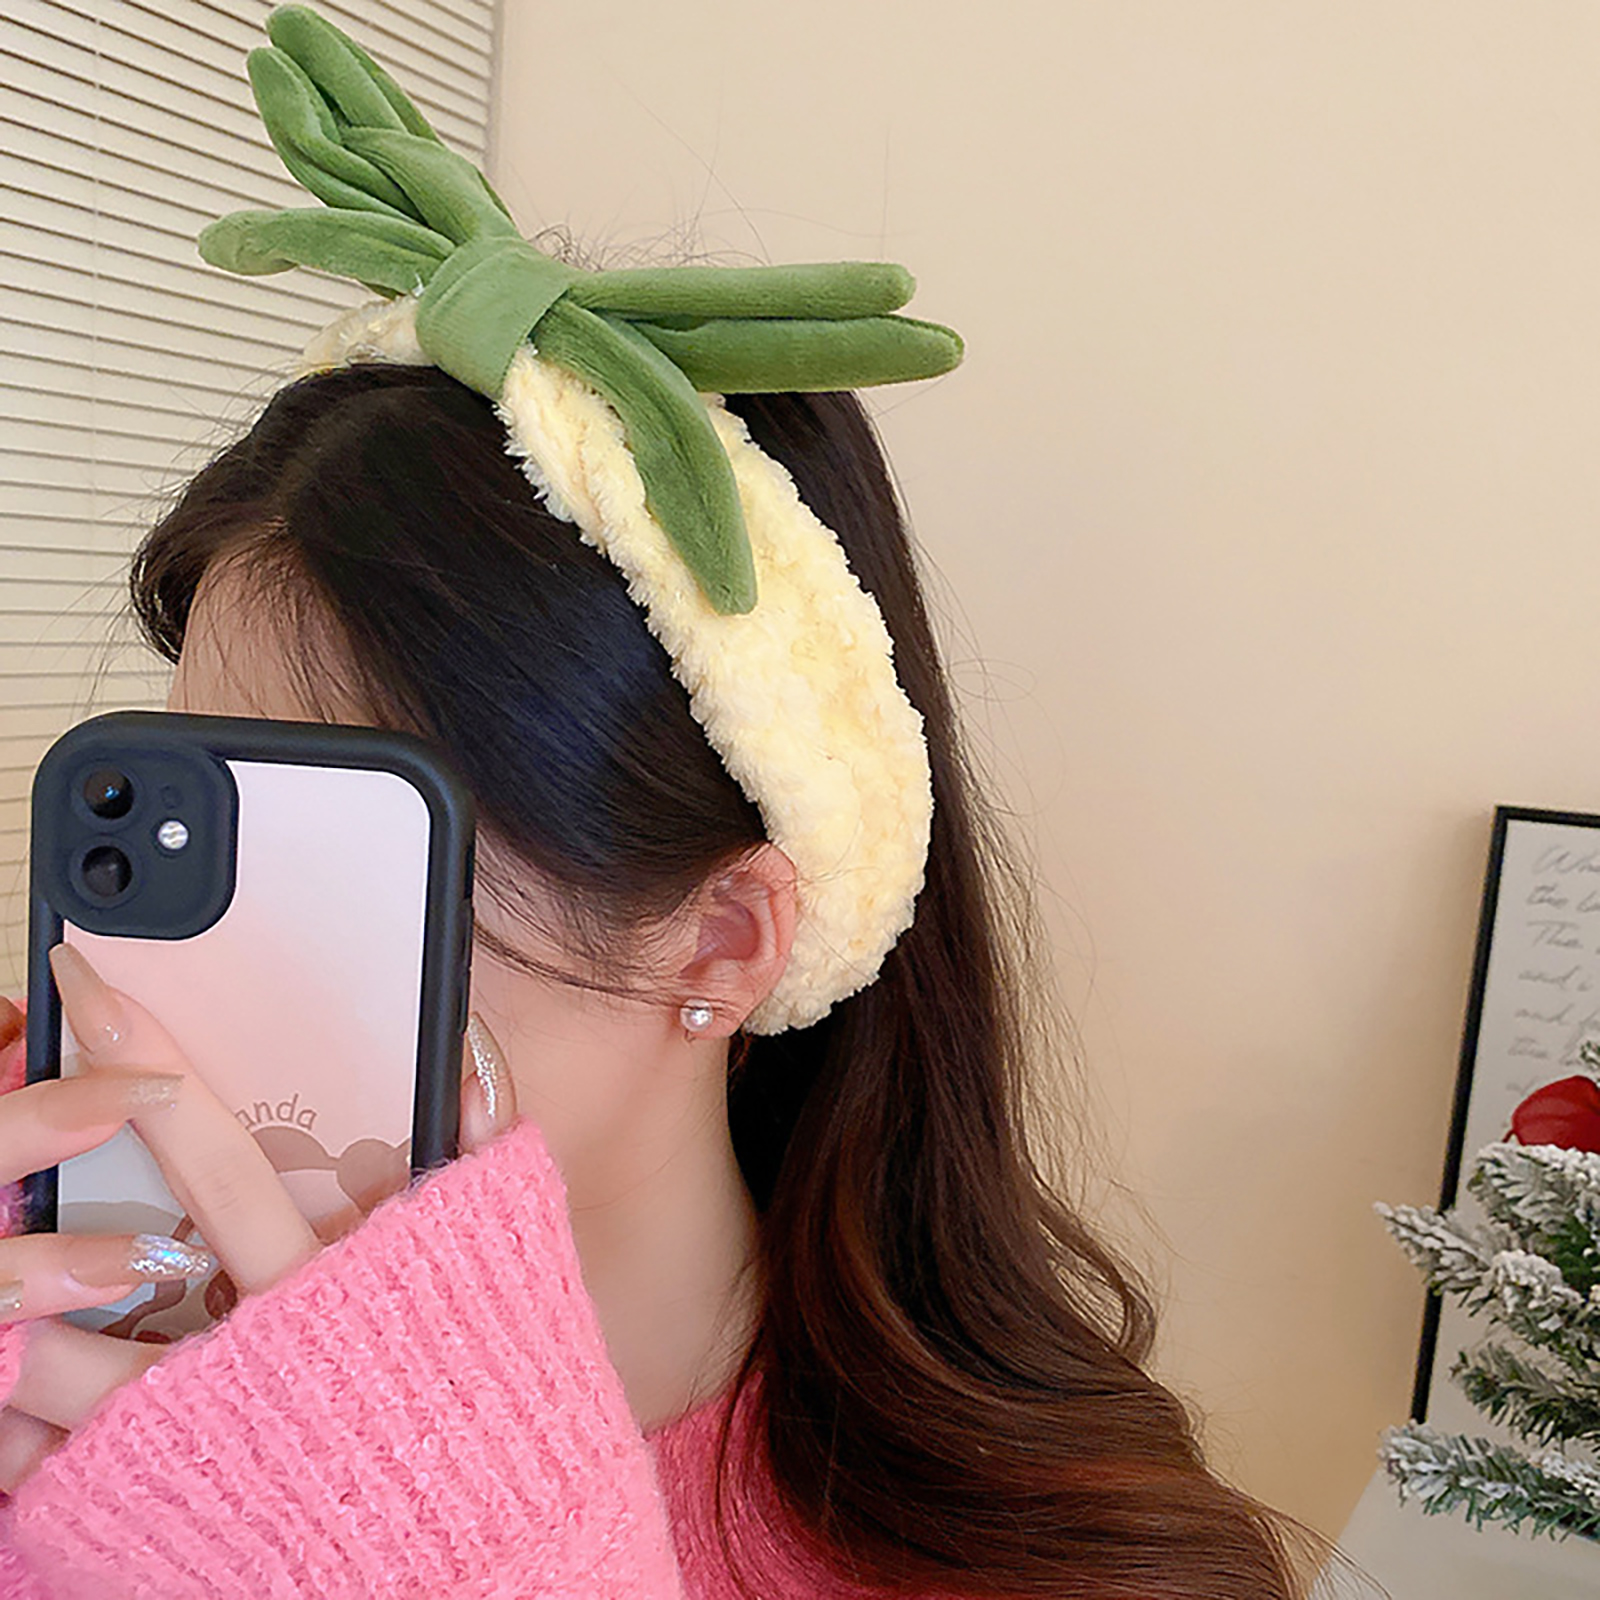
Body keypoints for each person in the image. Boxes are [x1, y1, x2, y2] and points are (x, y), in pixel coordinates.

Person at [0, 8, 1312, 1596]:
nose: (190, 987)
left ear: (724, 941)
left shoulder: (1064, 1569)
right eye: (196, 805)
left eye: (338, 853)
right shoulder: (55, 1386)